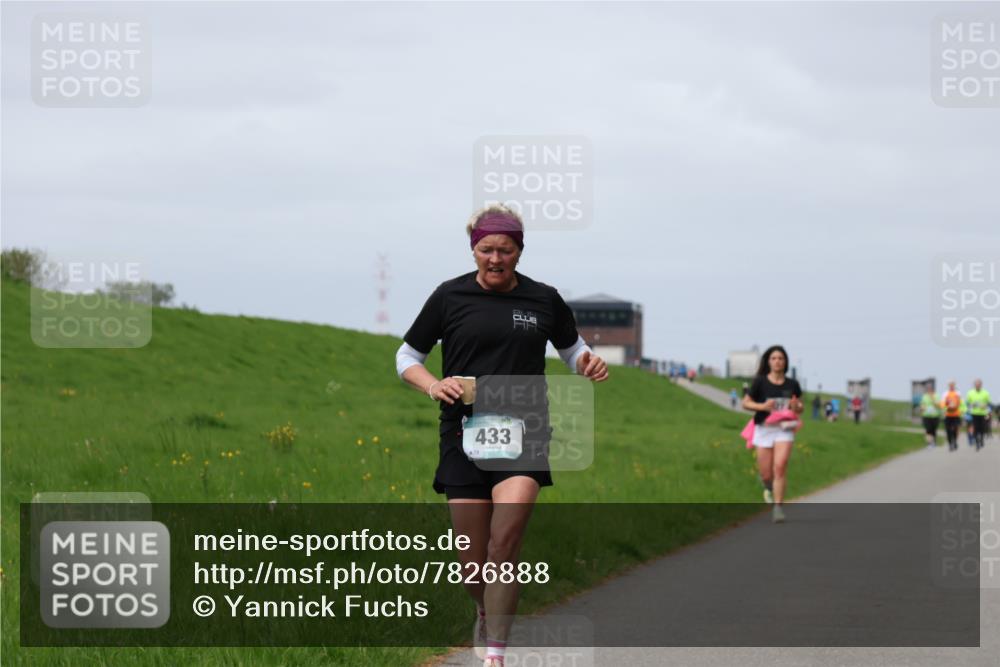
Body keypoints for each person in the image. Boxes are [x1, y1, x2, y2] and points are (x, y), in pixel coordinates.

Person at [395, 205, 609, 667]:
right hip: (463, 433)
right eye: (486, 249)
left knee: (504, 545)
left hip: (526, 432)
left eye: (505, 250)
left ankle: (495, 656)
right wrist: (433, 384)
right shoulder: (448, 297)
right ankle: (483, 608)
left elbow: (573, 350)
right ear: (473, 249)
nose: (495, 259)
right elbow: (406, 356)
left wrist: (587, 363)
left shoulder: (544, 299)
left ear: (519, 250)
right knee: (472, 564)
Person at [742, 345, 803, 524]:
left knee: (780, 467)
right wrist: (762, 406)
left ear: (785, 362)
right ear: (768, 362)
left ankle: (778, 508)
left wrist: (796, 407)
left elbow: (800, 407)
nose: (777, 361)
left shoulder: (793, 384)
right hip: (764, 429)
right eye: (774, 358)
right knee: (766, 474)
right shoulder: (760, 382)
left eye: (781, 358)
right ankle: (768, 487)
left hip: (784, 429)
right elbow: (745, 403)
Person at [966, 379, 991, 451]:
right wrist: (971, 404)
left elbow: (989, 403)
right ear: (974, 385)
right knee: (975, 428)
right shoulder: (970, 393)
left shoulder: (985, 393)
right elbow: (967, 403)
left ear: (981, 385)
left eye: (979, 384)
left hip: (984, 413)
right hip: (974, 413)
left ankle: (982, 439)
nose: (977, 386)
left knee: (983, 427)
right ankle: (977, 442)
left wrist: (985, 405)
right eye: (976, 384)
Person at [941, 381, 963, 452]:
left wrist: (957, 407)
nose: (951, 386)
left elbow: (961, 403)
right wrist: (946, 407)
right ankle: (950, 443)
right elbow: (942, 403)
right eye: (950, 385)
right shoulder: (945, 393)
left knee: (955, 429)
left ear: (954, 386)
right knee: (948, 430)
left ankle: (955, 441)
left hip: (956, 414)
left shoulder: (958, 393)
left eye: (952, 385)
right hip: (948, 415)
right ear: (948, 386)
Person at [919, 384, 942, 448]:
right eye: (928, 389)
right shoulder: (924, 396)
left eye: (930, 389)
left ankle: (934, 442)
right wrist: (922, 408)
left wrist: (932, 398)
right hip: (926, 416)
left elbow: (939, 405)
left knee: (934, 430)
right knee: (928, 429)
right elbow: (922, 404)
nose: (929, 390)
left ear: (933, 389)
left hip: (935, 416)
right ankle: (929, 443)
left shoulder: (937, 396)